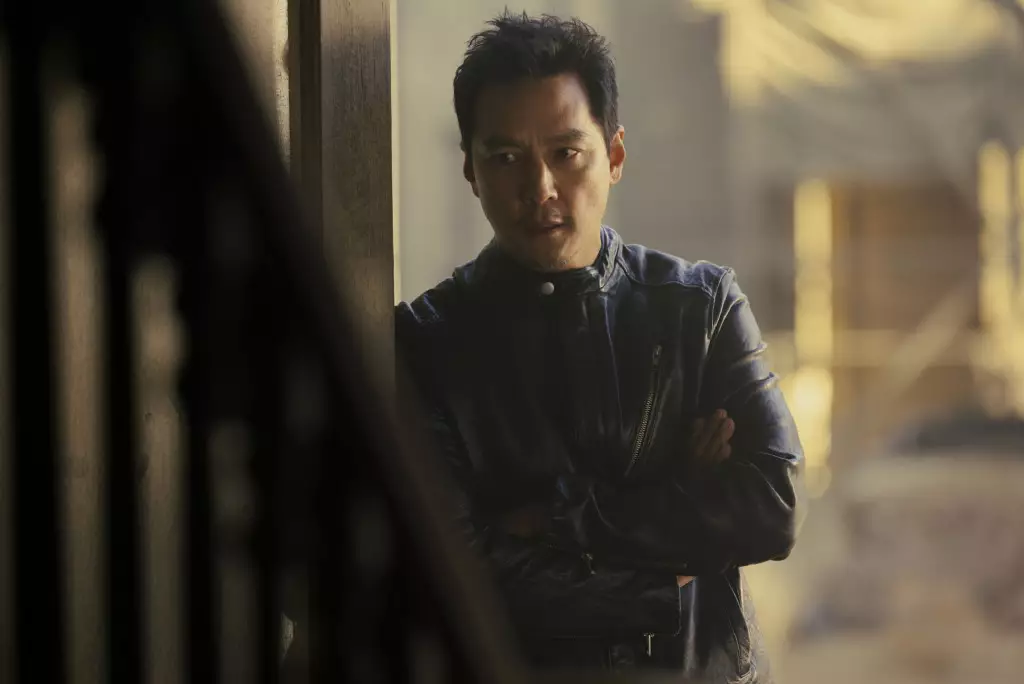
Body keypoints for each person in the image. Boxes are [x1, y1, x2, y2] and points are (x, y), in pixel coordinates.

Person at [395, 11, 804, 679]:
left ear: (613, 156)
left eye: (566, 153)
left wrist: (560, 517)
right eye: (506, 158)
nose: (541, 188)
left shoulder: (701, 308)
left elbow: (773, 505)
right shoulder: (427, 342)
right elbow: (457, 572)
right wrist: (671, 550)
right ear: (470, 169)